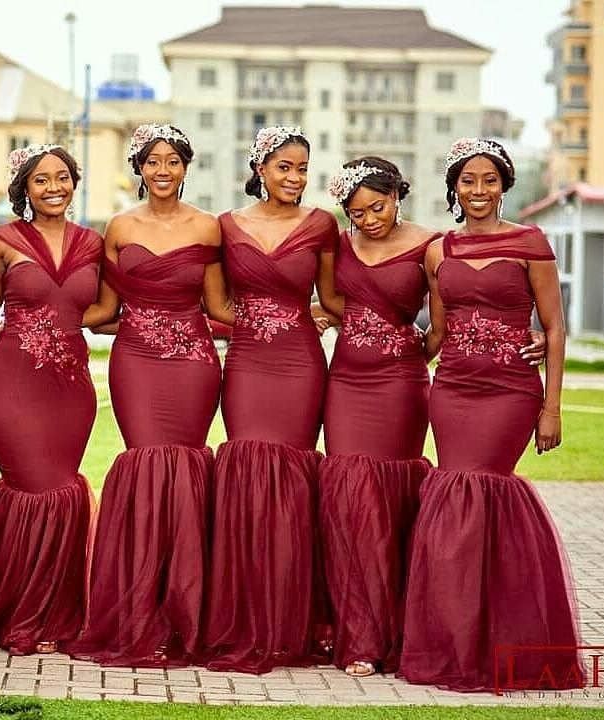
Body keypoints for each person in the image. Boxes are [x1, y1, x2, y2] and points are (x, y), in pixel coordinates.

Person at [400, 138, 581, 692]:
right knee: (454, 501)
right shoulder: (439, 250)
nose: (478, 191)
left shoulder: (531, 243)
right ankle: (453, 642)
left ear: (504, 185)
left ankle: (502, 643)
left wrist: (551, 407)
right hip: (451, 387)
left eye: (489, 180)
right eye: (467, 181)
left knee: (481, 492)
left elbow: (552, 328)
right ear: (453, 187)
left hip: (509, 390)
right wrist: (384, 348)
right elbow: (438, 329)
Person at [66, 124, 223, 667]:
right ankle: (137, 616)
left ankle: (187, 616)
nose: (163, 170)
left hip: (194, 363)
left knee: (184, 476)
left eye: (173, 161)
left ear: (185, 168)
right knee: (146, 470)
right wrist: (38, 318)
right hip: (136, 362)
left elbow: (219, 308)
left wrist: (295, 316)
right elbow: (106, 307)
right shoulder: (118, 226)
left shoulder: (208, 227)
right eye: (152, 161)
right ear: (139, 168)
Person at [204, 126, 339, 673]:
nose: (296, 178)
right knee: (247, 477)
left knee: (288, 487)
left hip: (302, 365)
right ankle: (243, 618)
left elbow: (335, 299)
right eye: (285, 167)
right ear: (260, 167)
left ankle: (290, 623)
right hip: (247, 365)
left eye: (303, 168)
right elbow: (215, 304)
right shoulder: (226, 227)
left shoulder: (323, 225)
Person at [0, 145, 101, 654]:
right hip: (11, 384)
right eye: (41, 180)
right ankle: (13, 613)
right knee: (31, 485)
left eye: (62, 177)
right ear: (24, 188)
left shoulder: (93, 243)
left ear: (74, 182)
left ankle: (54, 614)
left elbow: (107, 308)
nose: (53, 188)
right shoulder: (3, 241)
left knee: (62, 487)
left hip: (70, 388)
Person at [316, 157, 438, 678]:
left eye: (378, 207)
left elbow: (442, 324)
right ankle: (357, 634)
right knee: (348, 500)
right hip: (345, 382)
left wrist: (406, 349)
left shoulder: (430, 244)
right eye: (357, 212)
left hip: (401, 388)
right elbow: (335, 299)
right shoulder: (339, 245)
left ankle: (396, 630)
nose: (368, 220)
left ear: (397, 195)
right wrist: (352, 322)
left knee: (390, 506)